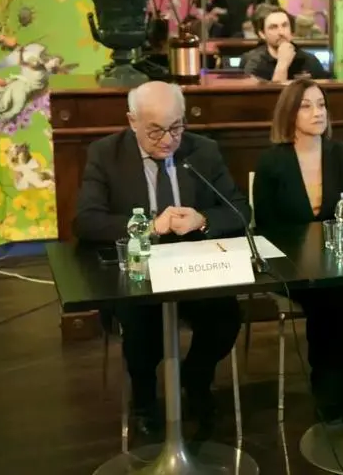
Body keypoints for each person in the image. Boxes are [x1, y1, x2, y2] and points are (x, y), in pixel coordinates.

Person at [73, 81, 246, 436]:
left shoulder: (204, 151)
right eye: (155, 131)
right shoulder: (106, 154)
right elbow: (86, 221)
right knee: (141, 324)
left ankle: (195, 378)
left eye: (176, 127)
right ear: (132, 121)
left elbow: (240, 210)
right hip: (139, 271)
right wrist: (149, 226)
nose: (168, 140)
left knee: (225, 316)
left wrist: (203, 219)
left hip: (194, 267)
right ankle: (144, 397)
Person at [252, 79, 343, 422]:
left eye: (321, 105)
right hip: (292, 265)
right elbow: (266, 227)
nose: (317, 112)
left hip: (341, 260)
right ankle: (330, 383)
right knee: (329, 295)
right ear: (289, 113)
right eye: (306, 106)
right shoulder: (271, 162)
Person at [241, 5, 330, 82]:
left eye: (285, 25)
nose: (281, 32)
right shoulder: (254, 63)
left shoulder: (310, 60)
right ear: (262, 34)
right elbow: (271, 95)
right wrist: (282, 64)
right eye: (273, 27)